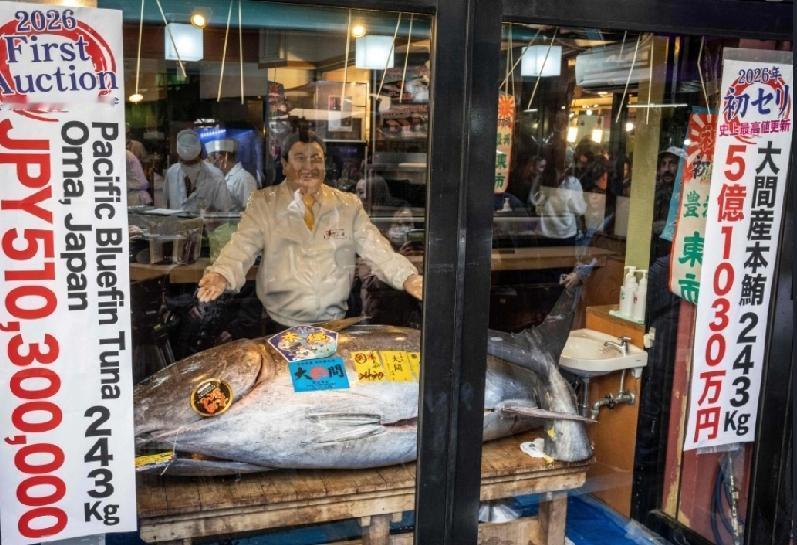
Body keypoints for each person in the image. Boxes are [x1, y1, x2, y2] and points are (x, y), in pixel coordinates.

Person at [196, 133, 423, 329]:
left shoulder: (347, 204)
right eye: (300, 158)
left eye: (316, 159)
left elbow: (379, 250)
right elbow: (241, 247)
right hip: (279, 324)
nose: (309, 166)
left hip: (336, 324)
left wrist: (408, 277)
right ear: (284, 165)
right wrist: (222, 274)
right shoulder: (264, 203)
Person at [164, 129, 233, 213]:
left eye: (193, 163)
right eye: (184, 163)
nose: (188, 167)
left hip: (205, 225)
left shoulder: (216, 177)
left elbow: (224, 211)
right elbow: (165, 207)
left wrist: (211, 217)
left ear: (199, 156)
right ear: (179, 158)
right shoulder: (172, 174)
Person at [207, 138, 258, 211]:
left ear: (220, 158)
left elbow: (252, 210)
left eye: (210, 159)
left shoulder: (244, 178)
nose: (209, 164)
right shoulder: (221, 178)